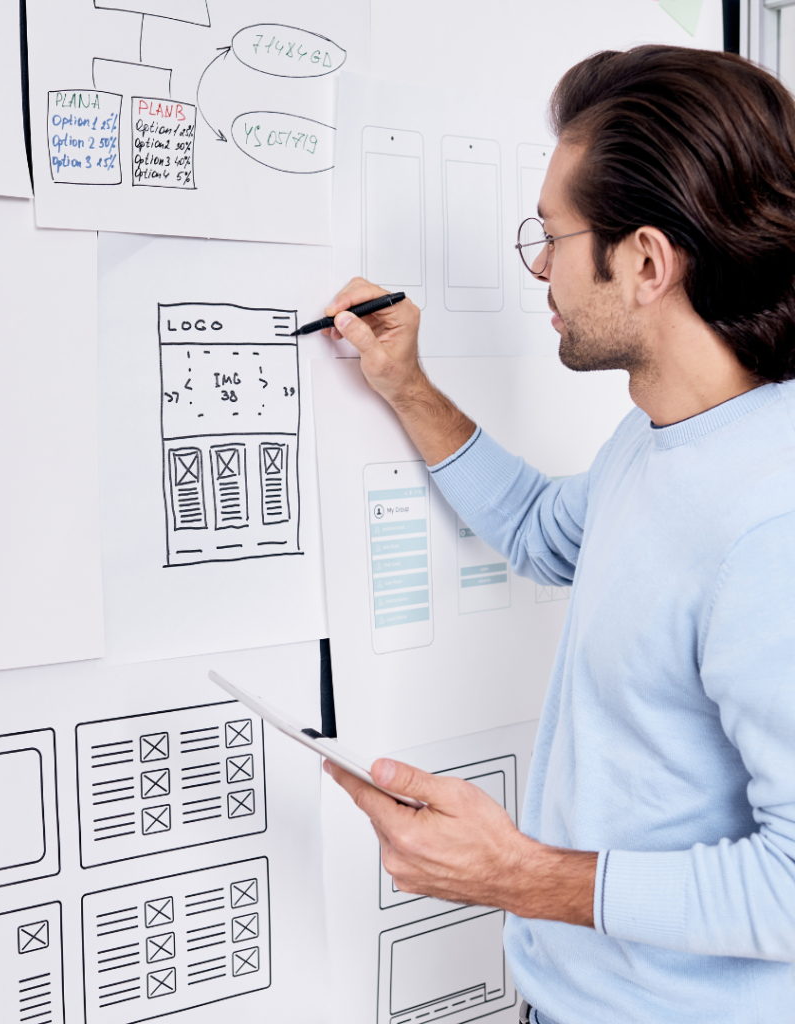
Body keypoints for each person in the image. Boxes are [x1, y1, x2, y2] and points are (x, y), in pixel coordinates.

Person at [321, 45, 795, 1024]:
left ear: (646, 263)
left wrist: (519, 874)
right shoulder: (657, 438)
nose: (540, 261)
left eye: (556, 232)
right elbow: (544, 531)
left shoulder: (770, 526)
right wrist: (406, 386)